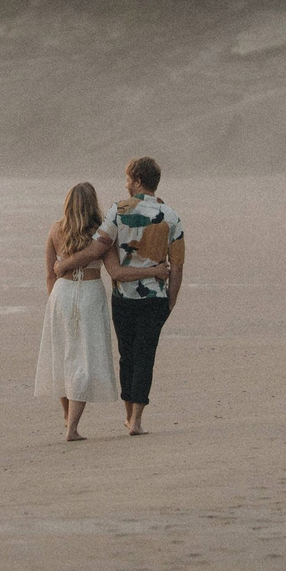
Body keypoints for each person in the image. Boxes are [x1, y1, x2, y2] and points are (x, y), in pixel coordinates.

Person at [34, 181, 169, 441]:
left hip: (61, 294)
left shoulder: (55, 230)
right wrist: (155, 270)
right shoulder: (101, 233)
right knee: (84, 358)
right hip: (89, 293)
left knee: (63, 355)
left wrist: (54, 301)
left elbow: (49, 274)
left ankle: (67, 420)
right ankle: (72, 427)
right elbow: (116, 272)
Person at [106, 156, 185, 435]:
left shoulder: (117, 210)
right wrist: (170, 301)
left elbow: (102, 243)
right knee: (144, 356)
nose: (126, 184)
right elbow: (177, 265)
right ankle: (136, 419)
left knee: (126, 356)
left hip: (123, 296)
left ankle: (130, 415)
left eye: (128, 179)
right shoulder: (171, 215)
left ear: (138, 181)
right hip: (156, 298)